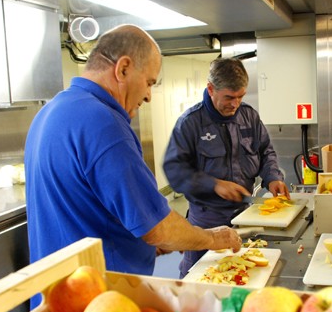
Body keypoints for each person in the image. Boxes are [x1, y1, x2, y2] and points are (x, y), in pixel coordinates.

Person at [24, 24, 242, 291]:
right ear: (123, 68)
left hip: (56, 297)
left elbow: (87, 208)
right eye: (149, 82)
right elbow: (158, 227)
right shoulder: (103, 123)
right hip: (100, 300)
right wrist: (213, 238)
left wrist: (143, 242)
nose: (149, 95)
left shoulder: (52, 112)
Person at [163, 57, 289, 278]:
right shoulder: (191, 123)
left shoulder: (249, 116)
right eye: (229, 97)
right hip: (206, 221)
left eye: (240, 96)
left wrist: (272, 177)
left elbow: (265, 150)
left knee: (243, 274)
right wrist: (214, 185)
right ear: (211, 89)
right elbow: (175, 171)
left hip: (247, 215)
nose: (235, 104)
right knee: (199, 279)